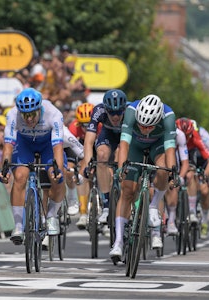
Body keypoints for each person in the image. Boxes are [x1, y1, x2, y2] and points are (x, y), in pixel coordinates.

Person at [109, 94, 177, 261]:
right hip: (135, 147)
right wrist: (121, 169)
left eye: (149, 127)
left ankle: (154, 206)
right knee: (127, 191)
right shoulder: (131, 112)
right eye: (142, 126)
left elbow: (170, 150)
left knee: (163, 170)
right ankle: (118, 241)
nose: (145, 130)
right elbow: (124, 143)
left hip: (157, 145)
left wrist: (172, 173)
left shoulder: (168, 117)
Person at [0, 88, 66, 246]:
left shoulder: (53, 114)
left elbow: (57, 147)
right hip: (25, 144)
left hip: (48, 145)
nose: (28, 119)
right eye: (25, 115)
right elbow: (8, 146)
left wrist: (58, 171)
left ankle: (51, 216)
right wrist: (5, 169)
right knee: (20, 177)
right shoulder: (12, 115)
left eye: (32, 114)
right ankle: (18, 225)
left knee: (55, 176)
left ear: (39, 109)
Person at [79, 89, 128, 228]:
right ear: (106, 109)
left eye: (119, 112)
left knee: (124, 159)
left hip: (127, 135)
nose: (115, 116)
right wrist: (88, 162)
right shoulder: (98, 110)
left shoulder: (131, 112)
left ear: (124, 109)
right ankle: (106, 205)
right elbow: (88, 142)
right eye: (111, 112)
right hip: (109, 135)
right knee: (101, 156)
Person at [176, 117, 209, 239]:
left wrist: (206, 176)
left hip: (201, 159)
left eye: (188, 136)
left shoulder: (200, 136)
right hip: (182, 157)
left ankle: (204, 221)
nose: (186, 138)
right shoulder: (174, 136)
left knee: (204, 190)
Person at [68, 102, 94, 228]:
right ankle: (83, 213)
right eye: (83, 125)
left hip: (96, 144)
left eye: (89, 124)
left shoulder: (99, 126)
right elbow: (70, 149)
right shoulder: (73, 128)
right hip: (80, 146)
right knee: (81, 174)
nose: (86, 127)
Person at [163, 127, 189, 235]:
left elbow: (185, 162)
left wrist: (181, 177)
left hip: (173, 163)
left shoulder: (179, 135)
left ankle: (171, 221)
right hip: (156, 160)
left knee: (174, 185)